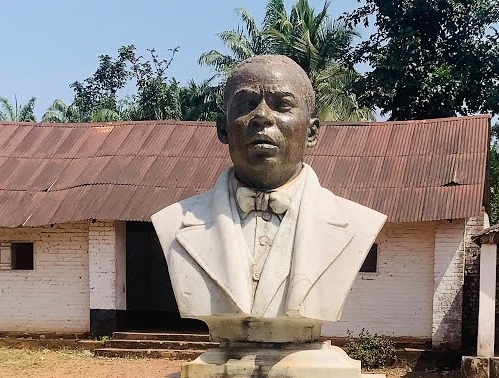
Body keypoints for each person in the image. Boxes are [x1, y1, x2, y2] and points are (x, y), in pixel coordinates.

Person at [151, 55, 386, 344]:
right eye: (247, 104)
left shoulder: (358, 223)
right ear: (223, 129)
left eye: (282, 104)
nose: (262, 116)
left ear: (311, 132)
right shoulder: (173, 222)